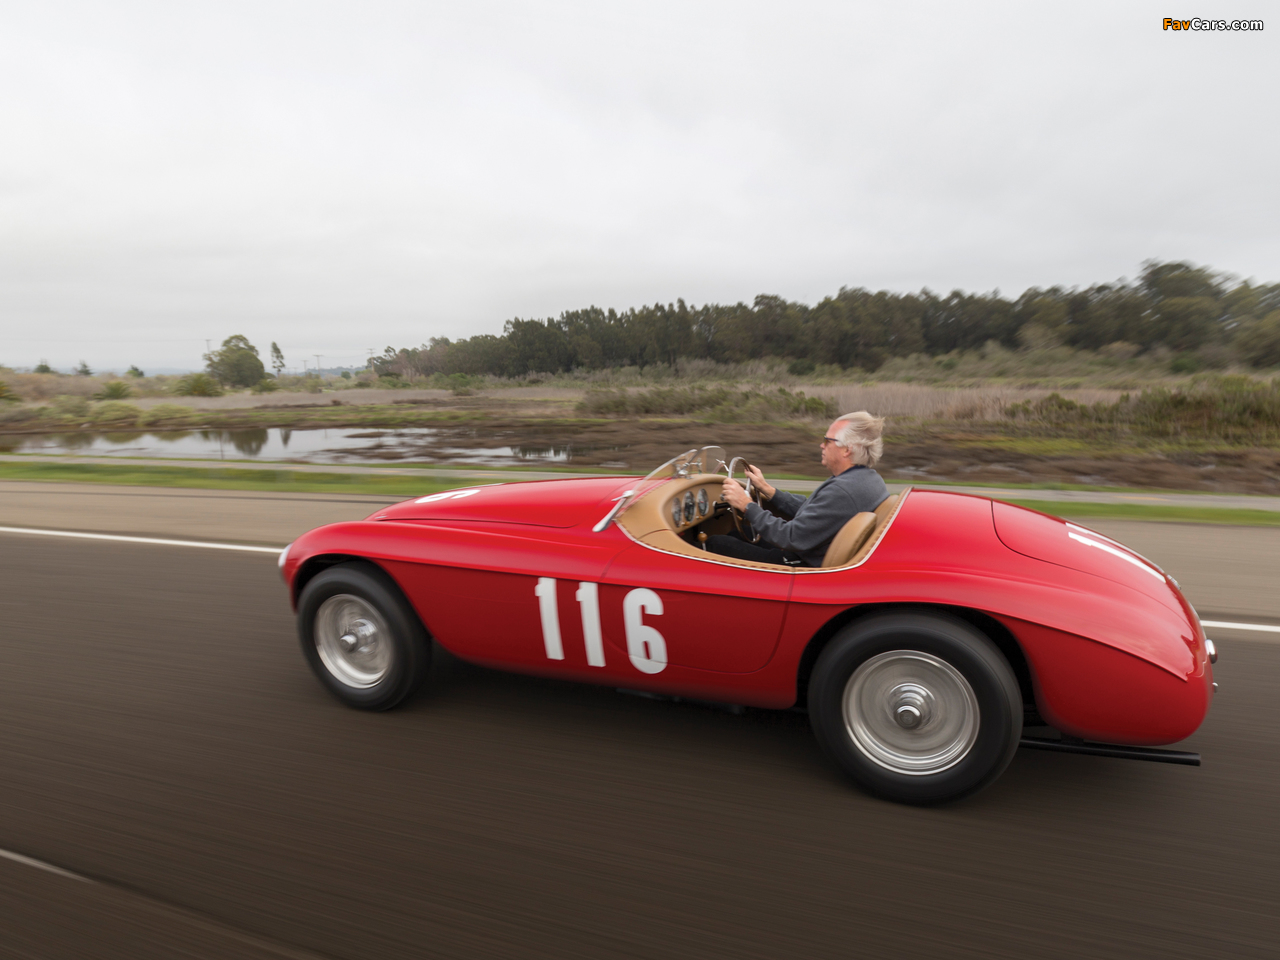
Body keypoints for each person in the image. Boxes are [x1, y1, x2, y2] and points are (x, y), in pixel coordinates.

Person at [708, 411, 889, 566]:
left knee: (716, 543)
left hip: (802, 564)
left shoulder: (843, 490)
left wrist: (746, 505)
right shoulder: (867, 479)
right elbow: (816, 511)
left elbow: (789, 537)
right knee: (739, 533)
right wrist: (768, 490)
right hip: (811, 551)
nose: (822, 445)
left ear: (846, 450)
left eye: (827, 441)